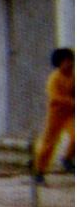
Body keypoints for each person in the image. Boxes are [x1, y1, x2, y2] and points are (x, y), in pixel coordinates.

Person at [33, 48, 75, 183]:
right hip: (56, 115)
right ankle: (39, 170)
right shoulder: (54, 78)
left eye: (71, 61)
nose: (69, 65)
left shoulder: (73, 75)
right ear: (59, 63)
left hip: (70, 114)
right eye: (66, 62)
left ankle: (67, 158)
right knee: (48, 144)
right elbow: (55, 98)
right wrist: (72, 102)